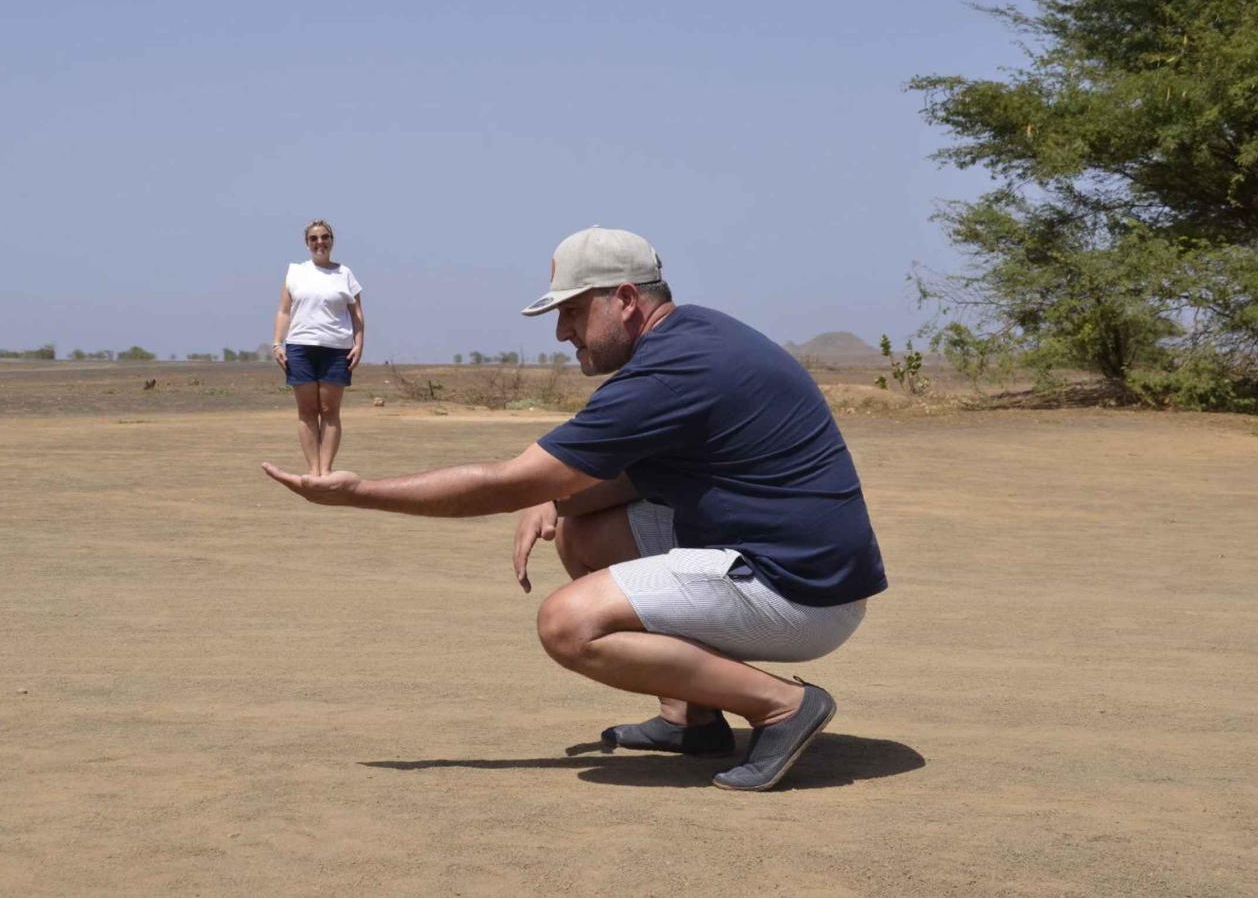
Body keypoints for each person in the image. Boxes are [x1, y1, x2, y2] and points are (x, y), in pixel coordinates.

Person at [261, 226, 887, 791]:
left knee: (567, 625)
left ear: (625, 299)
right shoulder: (694, 337)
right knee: (581, 533)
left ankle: (781, 706)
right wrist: (555, 499)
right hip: (803, 564)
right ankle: (690, 718)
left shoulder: (667, 374)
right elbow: (628, 477)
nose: (562, 333)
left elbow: (507, 483)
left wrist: (361, 493)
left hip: (800, 591)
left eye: (571, 312)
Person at [272, 218, 365, 476]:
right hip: (300, 347)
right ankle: (313, 470)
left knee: (329, 411)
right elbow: (283, 311)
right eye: (314, 238)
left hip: (336, 349)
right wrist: (277, 343)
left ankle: (326, 469)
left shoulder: (345, 274)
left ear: (332, 241)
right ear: (307, 243)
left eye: (324, 237)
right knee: (307, 411)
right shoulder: (295, 272)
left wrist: (359, 344)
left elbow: (357, 314)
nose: (319, 242)